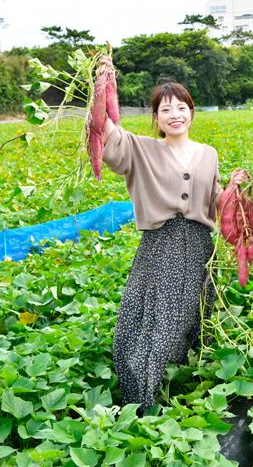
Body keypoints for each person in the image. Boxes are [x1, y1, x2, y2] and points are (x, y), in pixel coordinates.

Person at [102, 82, 245, 413]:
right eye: (165, 109)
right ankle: (144, 399)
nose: (175, 115)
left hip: (198, 246)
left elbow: (214, 200)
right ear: (156, 117)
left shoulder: (208, 154)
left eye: (181, 108)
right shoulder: (142, 149)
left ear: (191, 112)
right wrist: (102, 86)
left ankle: (181, 389)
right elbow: (109, 137)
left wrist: (234, 190)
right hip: (161, 245)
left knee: (194, 318)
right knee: (154, 322)